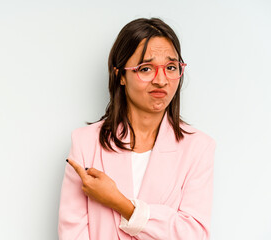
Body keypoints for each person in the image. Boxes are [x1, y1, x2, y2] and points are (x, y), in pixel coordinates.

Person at [58, 17, 216, 240]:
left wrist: (120, 203)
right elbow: (72, 233)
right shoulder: (85, 143)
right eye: (146, 68)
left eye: (171, 67)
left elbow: (193, 234)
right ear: (120, 75)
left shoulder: (199, 148)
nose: (161, 80)